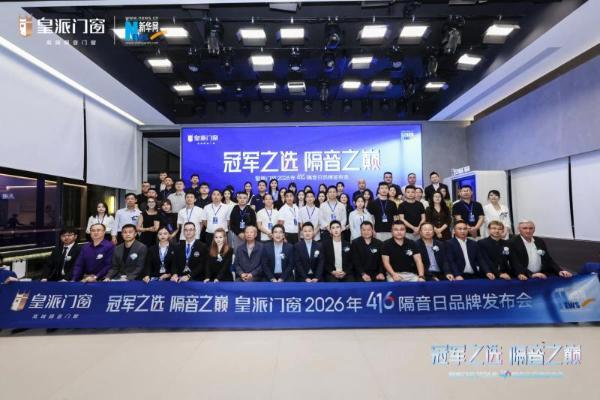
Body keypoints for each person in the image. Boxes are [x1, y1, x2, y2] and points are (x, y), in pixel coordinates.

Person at [508, 220, 572, 280]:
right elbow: (515, 263)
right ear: (519, 230)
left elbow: (548, 259)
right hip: (524, 277)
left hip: (541, 275)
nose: (528, 231)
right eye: (525, 228)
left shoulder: (539, 241)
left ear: (534, 229)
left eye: (531, 228)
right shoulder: (512, 242)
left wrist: (559, 271)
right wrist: (531, 274)